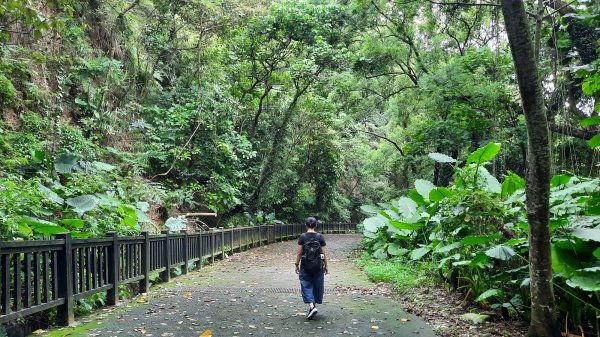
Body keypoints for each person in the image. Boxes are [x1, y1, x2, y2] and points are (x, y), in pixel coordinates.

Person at [295, 216, 328, 320]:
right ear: (316, 225)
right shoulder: (320, 237)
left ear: (305, 225)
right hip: (318, 265)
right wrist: (326, 265)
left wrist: (296, 264)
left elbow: (299, 252)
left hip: (305, 264)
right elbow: (324, 252)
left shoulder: (302, 237)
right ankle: (313, 307)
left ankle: (311, 306)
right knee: (317, 285)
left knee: (306, 283)